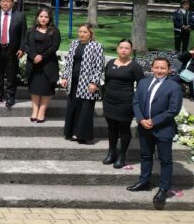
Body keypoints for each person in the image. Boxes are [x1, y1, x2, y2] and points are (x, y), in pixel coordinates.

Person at [127, 57, 183, 211]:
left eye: (163, 68)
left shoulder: (174, 87)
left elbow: (173, 110)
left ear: (169, 70)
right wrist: (141, 119)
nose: (159, 71)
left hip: (163, 129)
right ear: (152, 68)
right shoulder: (144, 83)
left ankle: (164, 189)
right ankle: (144, 181)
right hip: (144, 127)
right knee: (145, 156)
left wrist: (153, 120)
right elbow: (136, 102)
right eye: (157, 67)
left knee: (165, 160)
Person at [102, 39, 144, 169]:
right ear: (117, 49)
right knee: (112, 128)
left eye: (126, 48)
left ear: (131, 50)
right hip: (109, 102)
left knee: (124, 129)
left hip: (125, 103)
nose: (123, 50)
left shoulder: (134, 66)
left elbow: (142, 85)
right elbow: (106, 79)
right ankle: (111, 152)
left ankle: (122, 155)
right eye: (121, 47)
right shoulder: (110, 63)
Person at [60, 23, 104, 144]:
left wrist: (94, 82)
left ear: (90, 33)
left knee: (85, 109)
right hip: (74, 81)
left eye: (85, 32)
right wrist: (64, 77)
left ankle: (82, 135)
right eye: (80, 31)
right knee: (73, 107)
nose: (82, 34)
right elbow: (68, 62)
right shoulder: (74, 44)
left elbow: (98, 66)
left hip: (87, 83)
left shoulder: (96, 46)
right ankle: (71, 132)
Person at [21, 8, 61, 122]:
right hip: (33, 65)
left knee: (46, 89)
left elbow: (54, 46)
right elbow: (26, 44)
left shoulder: (54, 31)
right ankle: (34, 111)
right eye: (41, 16)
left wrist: (42, 56)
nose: (43, 19)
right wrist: (34, 56)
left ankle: (42, 112)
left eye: (46, 17)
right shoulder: (30, 30)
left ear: (50, 19)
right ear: (37, 17)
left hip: (48, 64)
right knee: (34, 89)